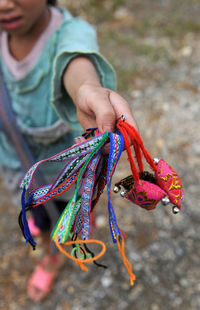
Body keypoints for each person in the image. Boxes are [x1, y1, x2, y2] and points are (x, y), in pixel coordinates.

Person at [0, 0, 137, 301]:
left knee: (62, 215)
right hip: (15, 166)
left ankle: (54, 253)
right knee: (35, 212)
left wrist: (86, 88)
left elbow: (76, 63)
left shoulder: (70, 33)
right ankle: (44, 230)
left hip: (61, 180)